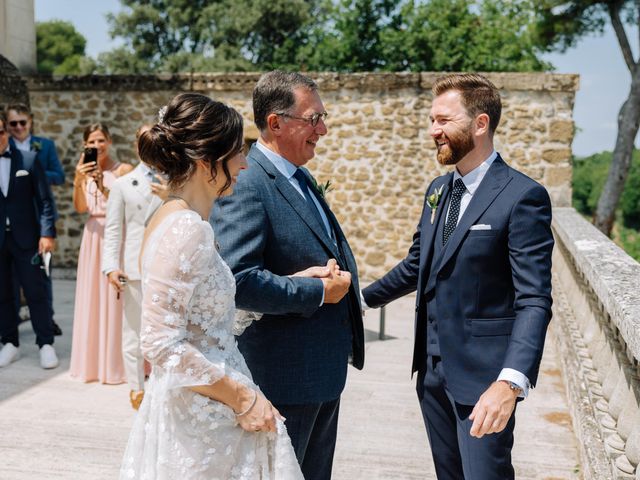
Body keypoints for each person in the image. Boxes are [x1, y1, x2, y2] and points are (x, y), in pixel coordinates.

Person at [362, 73, 554, 479]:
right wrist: (360, 299)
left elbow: (534, 299)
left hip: (485, 381)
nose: (434, 131)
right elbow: (419, 265)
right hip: (430, 374)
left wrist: (511, 383)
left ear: (480, 124)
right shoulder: (439, 190)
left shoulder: (523, 196)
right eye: (432, 120)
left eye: (444, 121)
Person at [120, 92, 303, 479]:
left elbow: (204, 321)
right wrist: (243, 398)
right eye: (237, 152)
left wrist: (295, 283)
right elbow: (160, 342)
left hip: (203, 403)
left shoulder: (173, 218)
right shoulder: (186, 228)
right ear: (206, 162)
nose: (244, 164)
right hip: (203, 420)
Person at [211, 70, 365, 480]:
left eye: (322, 117)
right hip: (283, 381)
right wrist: (315, 292)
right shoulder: (248, 182)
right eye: (312, 119)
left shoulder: (302, 177)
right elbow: (238, 280)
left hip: (321, 375)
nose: (323, 129)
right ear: (276, 122)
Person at [102, 125, 166, 409]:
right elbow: (113, 230)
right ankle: (136, 388)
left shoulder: (175, 180)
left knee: (168, 331)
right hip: (135, 268)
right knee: (133, 332)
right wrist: (110, 267)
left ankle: (165, 386)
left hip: (167, 267)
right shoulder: (123, 184)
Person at [70, 123, 133, 384]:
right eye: (92, 142)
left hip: (117, 234)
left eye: (101, 141)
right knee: (93, 297)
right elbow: (80, 206)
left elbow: (126, 205)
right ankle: (93, 364)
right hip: (93, 234)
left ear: (109, 141)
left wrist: (102, 184)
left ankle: (118, 364)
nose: (97, 146)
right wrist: (78, 179)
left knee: (116, 300)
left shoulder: (124, 170)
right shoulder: (82, 170)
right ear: (86, 145)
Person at [0, 111, 59, 369]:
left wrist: (47, 233)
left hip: (28, 239)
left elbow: (45, 200)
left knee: (36, 292)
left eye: (1, 131)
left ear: (7, 132)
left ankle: (45, 343)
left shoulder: (29, 158)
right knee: (3, 294)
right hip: (1, 241)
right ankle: (10, 342)